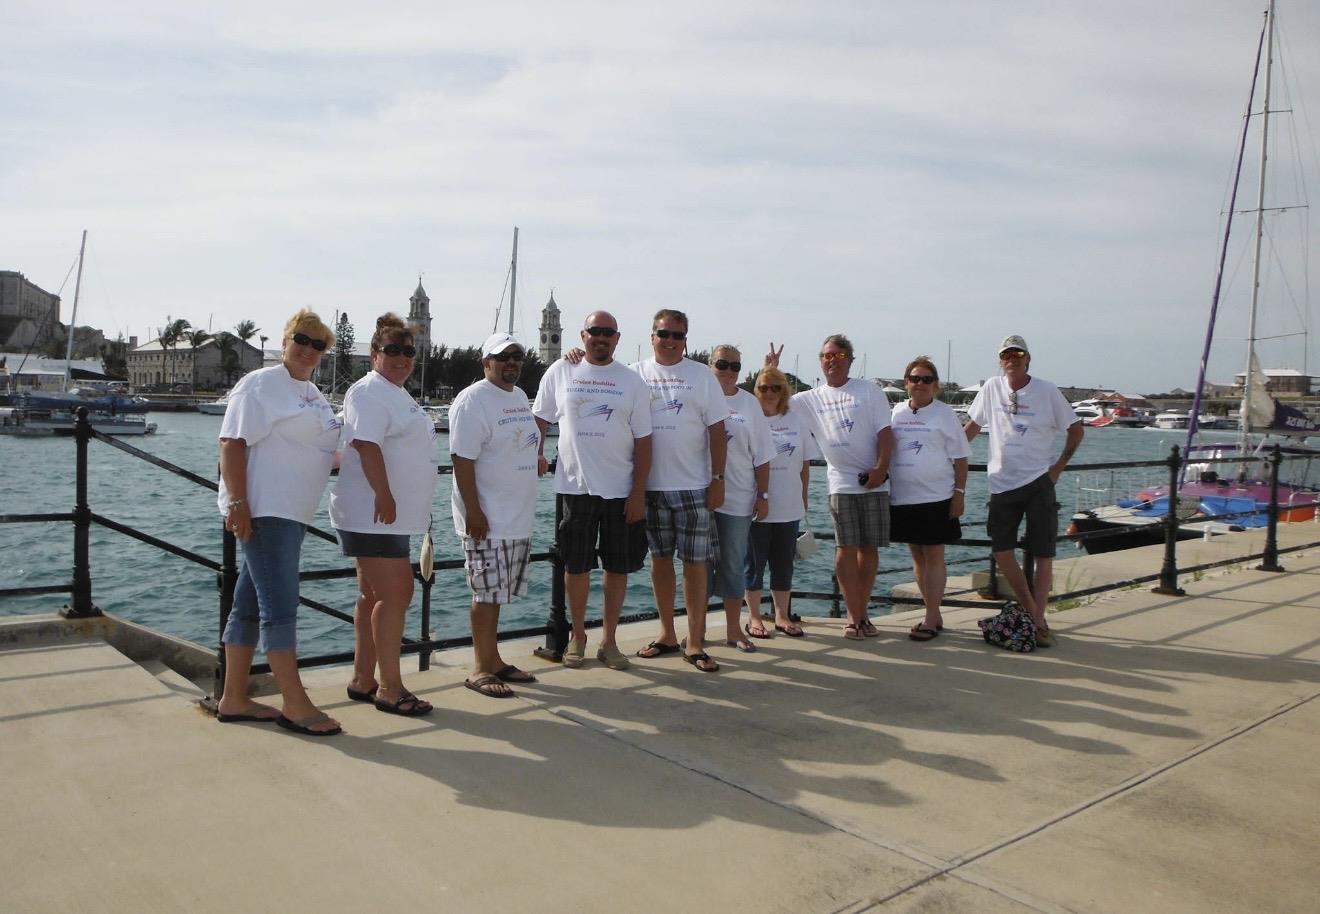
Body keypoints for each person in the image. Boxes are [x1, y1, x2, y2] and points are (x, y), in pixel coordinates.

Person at [215, 309, 344, 736]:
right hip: (267, 510)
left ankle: (233, 697)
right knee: (280, 609)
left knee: (248, 605)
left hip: (294, 512)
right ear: (285, 340)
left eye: (318, 345)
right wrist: (236, 502)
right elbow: (232, 442)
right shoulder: (260, 385)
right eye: (302, 340)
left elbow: (325, 452)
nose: (308, 350)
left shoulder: (311, 393)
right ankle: (294, 702)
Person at [329, 313, 437, 716]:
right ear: (375, 353)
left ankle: (363, 678)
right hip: (373, 513)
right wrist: (385, 494)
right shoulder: (370, 392)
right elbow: (367, 445)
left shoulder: (395, 392)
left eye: (408, 352)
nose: (402, 358)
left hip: (387, 515)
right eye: (392, 350)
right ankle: (391, 688)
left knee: (372, 595)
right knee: (398, 594)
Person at [533, 311, 652, 670]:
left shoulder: (632, 381)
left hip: (621, 489)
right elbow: (540, 417)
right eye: (594, 331)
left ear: (617, 338)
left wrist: (638, 493)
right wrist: (536, 452)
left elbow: (645, 441)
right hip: (575, 487)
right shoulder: (560, 371)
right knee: (577, 565)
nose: (601, 337)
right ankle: (578, 636)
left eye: (608, 332)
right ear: (583, 335)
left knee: (618, 568)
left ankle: (609, 640)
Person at [768, 336, 892, 640]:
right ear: (820, 361)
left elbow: (886, 433)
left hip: (874, 481)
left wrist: (881, 469)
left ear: (850, 359)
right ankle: (853, 616)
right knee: (845, 549)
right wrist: (771, 369)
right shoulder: (809, 398)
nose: (832, 360)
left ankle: (862, 613)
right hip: (840, 483)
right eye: (826, 355)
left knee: (869, 549)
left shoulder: (868, 390)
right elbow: (771, 401)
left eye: (838, 355)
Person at [964, 335, 1084, 647]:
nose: (1012, 359)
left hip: (1038, 483)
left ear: (1028, 358)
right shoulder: (991, 387)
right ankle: (1034, 615)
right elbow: (972, 429)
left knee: (1043, 554)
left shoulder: (1047, 390)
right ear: (1000, 360)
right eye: (1006, 354)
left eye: (1018, 354)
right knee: (1002, 552)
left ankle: (1039, 619)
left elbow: (1076, 428)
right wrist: (944, 459)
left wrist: (1058, 467)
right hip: (1001, 484)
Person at [632, 309, 728, 672]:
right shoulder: (634, 374)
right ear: (652, 335)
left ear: (685, 339)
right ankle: (667, 634)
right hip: (650, 487)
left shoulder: (702, 376)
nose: (670, 341)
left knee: (695, 565)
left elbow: (718, 432)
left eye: (678, 335)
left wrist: (718, 480)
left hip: (694, 487)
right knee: (659, 562)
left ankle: (696, 640)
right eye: (664, 334)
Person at [450, 332, 543, 697]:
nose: (511, 363)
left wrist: (535, 459)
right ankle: (479, 668)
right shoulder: (473, 401)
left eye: (517, 356)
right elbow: (462, 459)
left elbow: (517, 442)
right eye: (502, 356)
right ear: (485, 361)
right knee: (485, 592)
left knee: (498, 592)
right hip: (487, 517)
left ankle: (494, 659)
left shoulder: (518, 396)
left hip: (516, 515)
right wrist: (474, 511)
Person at [888, 356, 970, 641]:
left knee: (934, 555)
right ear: (906, 383)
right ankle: (931, 611)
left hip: (937, 496)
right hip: (903, 497)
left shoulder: (945, 414)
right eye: (914, 378)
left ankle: (932, 617)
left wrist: (959, 494)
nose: (920, 384)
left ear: (935, 385)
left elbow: (961, 458)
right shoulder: (896, 412)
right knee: (917, 555)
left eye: (926, 379)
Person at [707, 345, 775, 653]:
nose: (729, 370)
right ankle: (695, 631)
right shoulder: (700, 395)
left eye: (735, 366)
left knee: (733, 565)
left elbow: (762, 456)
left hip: (738, 499)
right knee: (696, 567)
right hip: (700, 496)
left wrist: (762, 495)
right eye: (722, 364)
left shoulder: (749, 404)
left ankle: (734, 629)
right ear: (710, 364)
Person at [743, 364, 816, 639]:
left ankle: (782, 615)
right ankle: (753, 616)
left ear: (784, 391)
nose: (770, 393)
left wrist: (804, 497)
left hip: (789, 505)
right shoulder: (750, 419)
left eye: (776, 387)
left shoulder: (796, 420)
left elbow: (805, 465)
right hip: (756, 504)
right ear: (756, 391)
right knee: (753, 563)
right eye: (764, 387)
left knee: (783, 564)